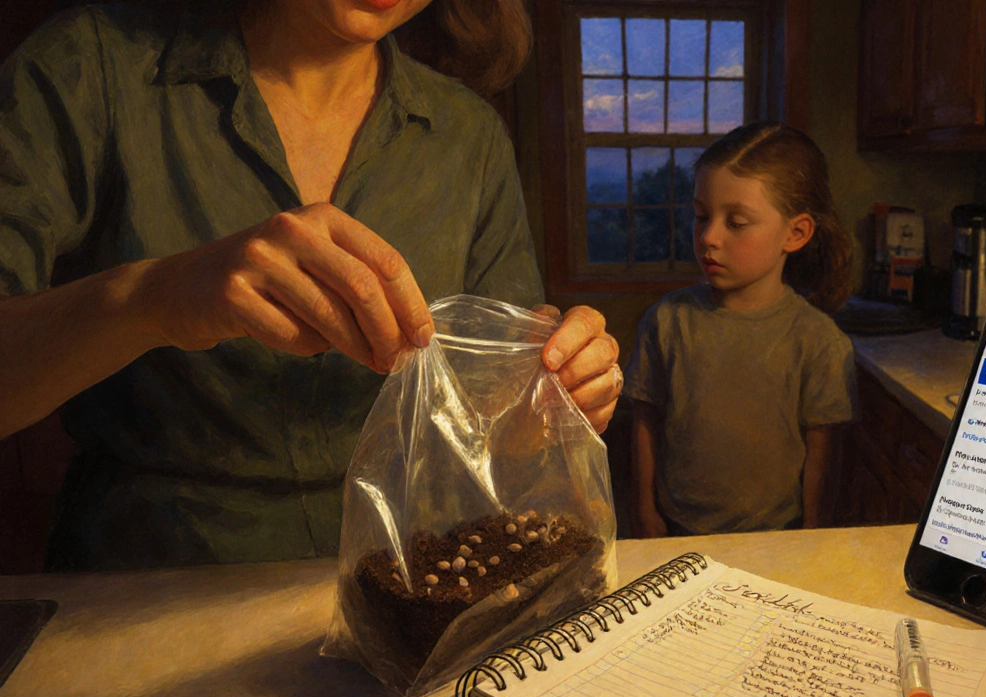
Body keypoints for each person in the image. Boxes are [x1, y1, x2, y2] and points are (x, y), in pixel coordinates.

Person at [0, 0, 622, 570]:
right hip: (142, 591)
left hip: (408, 584)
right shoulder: (92, 67)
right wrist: (155, 296)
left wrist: (558, 393)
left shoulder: (470, 136)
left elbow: (492, 425)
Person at [624, 121, 856, 537]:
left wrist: (815, 535)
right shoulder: (667, 321)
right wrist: (645, 512)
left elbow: (823, 457)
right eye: (701, 216)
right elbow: (644, 422)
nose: (709, 237)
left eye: (736, 222)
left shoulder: (818, 341)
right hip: (676, 530)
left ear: (795, 232)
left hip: (775, 540)